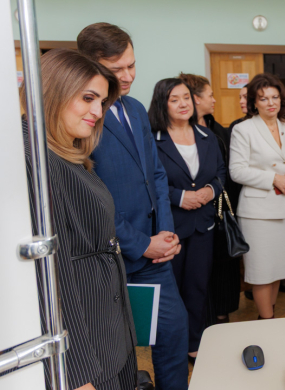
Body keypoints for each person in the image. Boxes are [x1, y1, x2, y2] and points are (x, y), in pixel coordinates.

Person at [78, 23, 189, 389]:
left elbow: (155, 175)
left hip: (155, 255)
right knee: (120, 352)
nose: (128, 76)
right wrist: (140, 244)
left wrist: (165, 233)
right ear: (91, 65)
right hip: (111, 257)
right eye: (117, 69)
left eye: (132, 65)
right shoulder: (81, 117)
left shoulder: (136, 109)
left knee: (174, 334)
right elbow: (87, 199)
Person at [21, 49, 137, 390]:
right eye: (88, 98)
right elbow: (50, 276)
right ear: (52, 90)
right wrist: (76, 374)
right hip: (86, 355)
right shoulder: (34, 159)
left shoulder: (61, 154)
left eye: (101, 102)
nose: (98, 112)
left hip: (105, 336)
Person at [149, 78, 226, 364]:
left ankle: (194, 343)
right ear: (163, 104)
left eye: (186, 98)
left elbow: (221, 173)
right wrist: (179, 197)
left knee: (197, 286)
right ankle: (172, 346)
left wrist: (210, 191)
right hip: (170, 228)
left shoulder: (207, 136)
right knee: (172, 293)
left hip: (203, 225)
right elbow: (148, 181)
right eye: (174, 99)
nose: (183, 104)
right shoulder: (153, 139)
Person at [229, 73, 285, 319]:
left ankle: (268, 317)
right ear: (254, 102)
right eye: (263, 99)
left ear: (282, 99)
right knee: (261, 273)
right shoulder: (243, 129)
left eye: (275, 97)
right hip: (257, 214)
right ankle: (267, 322)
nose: (271, 103)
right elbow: (237, 171)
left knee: (277, 271)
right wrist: (274, 179)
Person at [179, 73, 242, 323]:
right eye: (210, 95)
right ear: (196, 99)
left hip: (223, 211)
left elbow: (226, 171)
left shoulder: (218, 130)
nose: (214, 100)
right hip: (192, 214)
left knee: (224, 266)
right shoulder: (175, 133)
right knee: (196, 275)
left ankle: (222, 316)